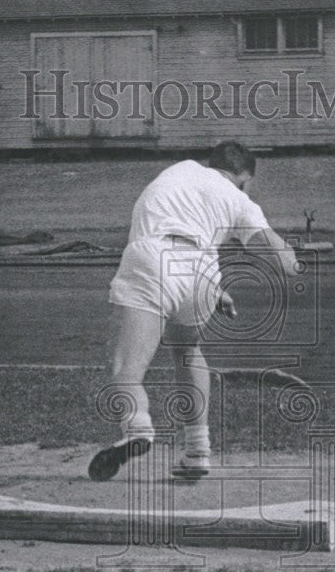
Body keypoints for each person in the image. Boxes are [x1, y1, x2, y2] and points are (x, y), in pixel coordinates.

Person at [88, 141, 299, 481]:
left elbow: (177, 223)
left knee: (125, 367)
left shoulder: (180, 170)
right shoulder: (241, 200)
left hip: (153, 258)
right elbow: (285, 263)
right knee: (187, 350)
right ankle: (197, 452)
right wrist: (293, 256)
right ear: (244, 178)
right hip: (202, 273)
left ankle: (138, 427)